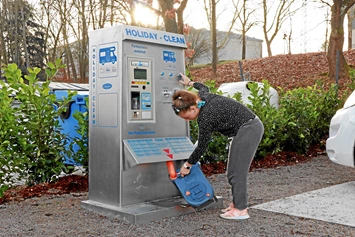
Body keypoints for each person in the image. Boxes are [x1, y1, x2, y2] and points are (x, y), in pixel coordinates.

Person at [172, 73, 264, 220]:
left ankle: (241, 210)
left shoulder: (206, 117)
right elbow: (204, 86)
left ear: (193, 109)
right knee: (232, 171)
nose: (188, 120)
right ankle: (236, 204)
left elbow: (202, 145)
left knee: (237, 173)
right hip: (245, 129)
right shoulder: (202, 97)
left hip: (249, 129)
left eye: (187, 117)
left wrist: (188, 165)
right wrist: (190, 83)